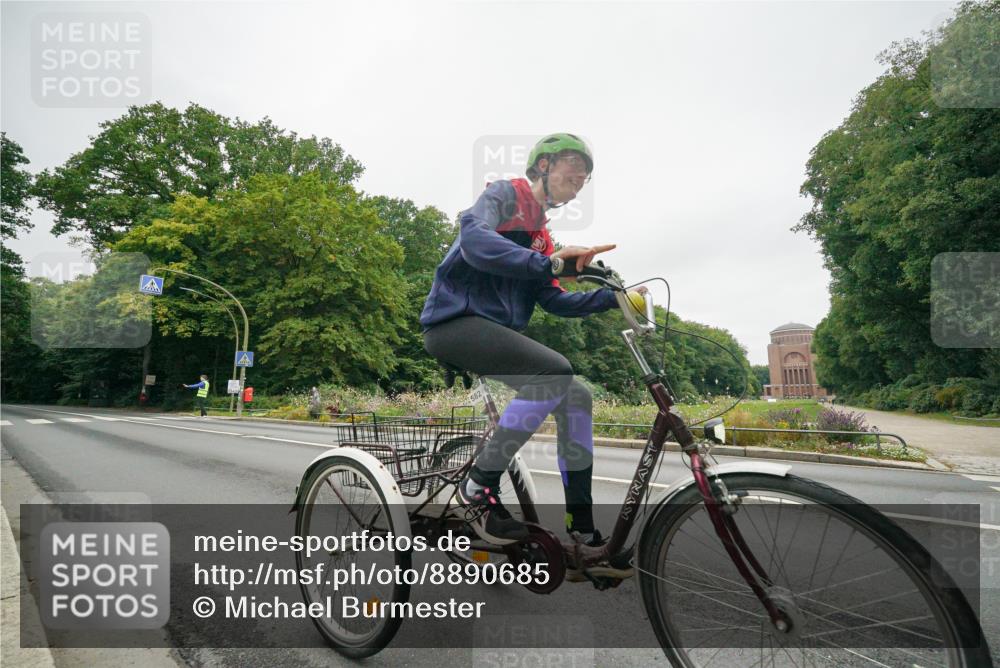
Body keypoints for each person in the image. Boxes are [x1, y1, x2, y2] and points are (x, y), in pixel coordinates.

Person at [420, 133, 644, 547]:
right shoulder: (507, 196)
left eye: (584, 179)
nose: (578, 181)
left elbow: (554, 301)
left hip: (492, 333)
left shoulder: (540, 236)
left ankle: (581, 526)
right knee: (554, 369)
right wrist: (552, 261)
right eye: (572, 168)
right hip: (452, 323)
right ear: (543, 165)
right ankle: (479, 483)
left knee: (576, 395)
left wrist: (611, 299)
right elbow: (473, 237)